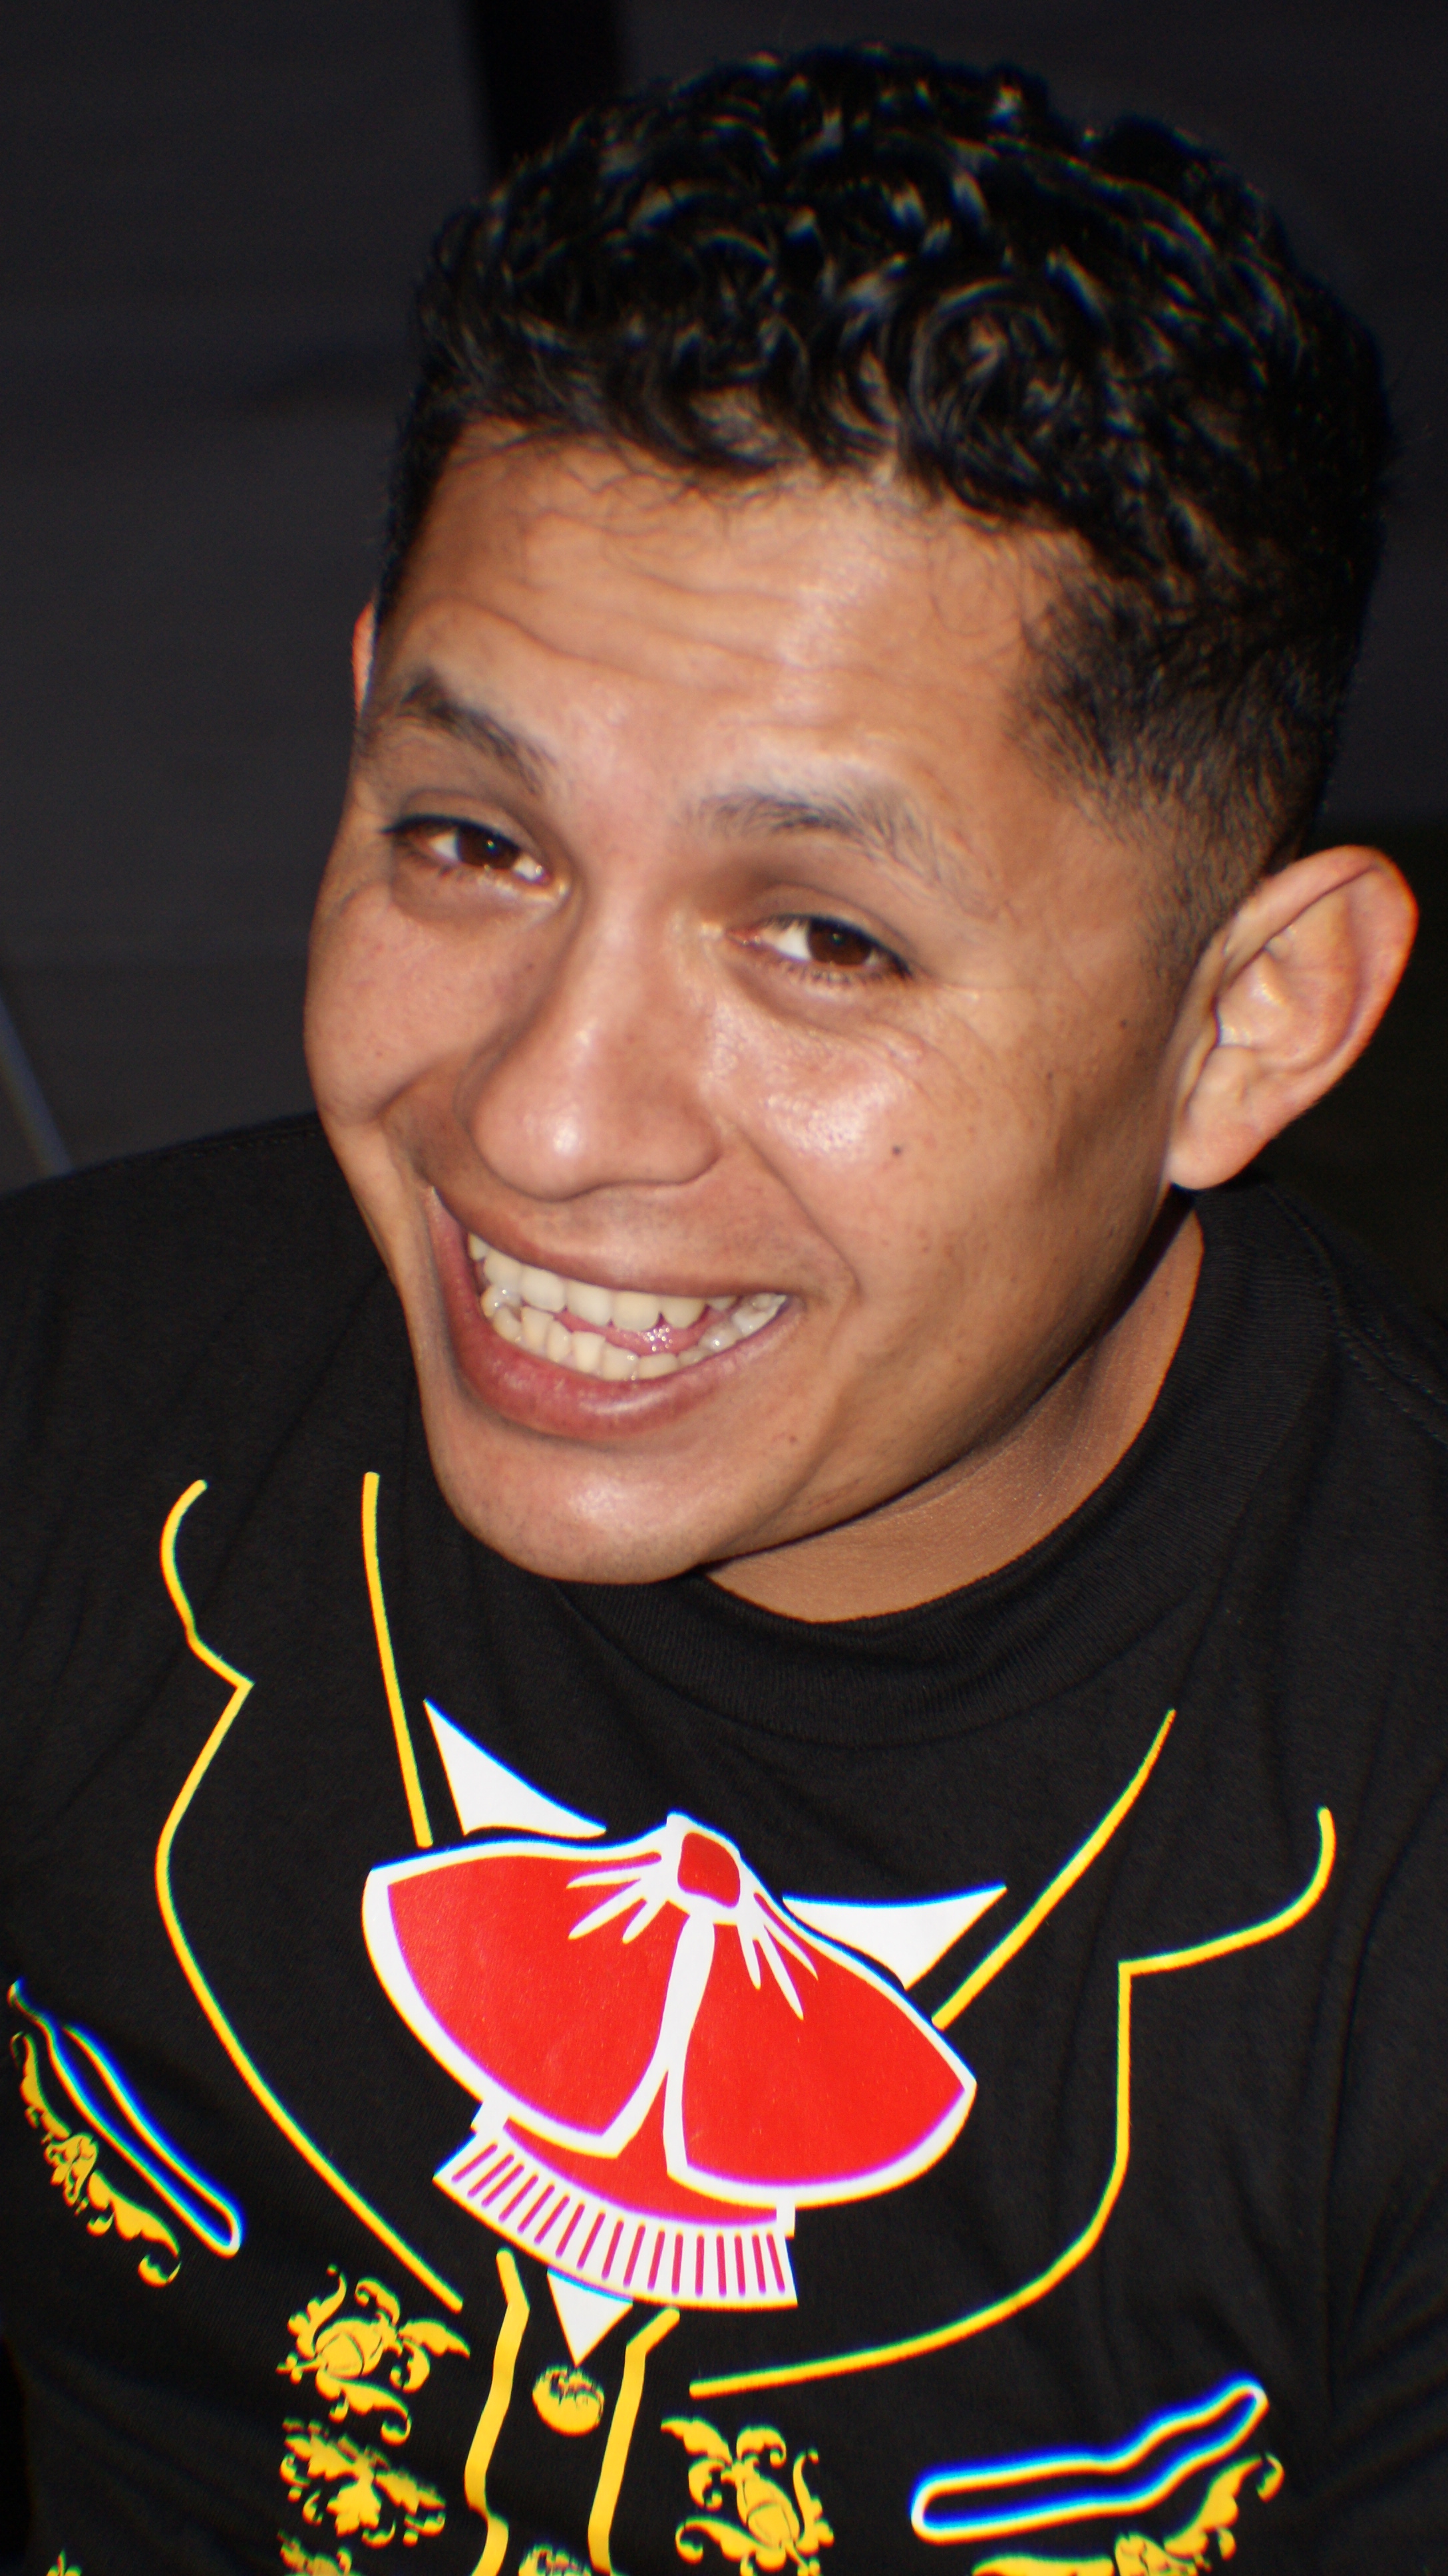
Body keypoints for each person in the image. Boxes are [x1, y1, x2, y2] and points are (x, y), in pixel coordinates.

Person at [1, 42, 1443, 2575]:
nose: (542, 1120)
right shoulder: (59, 1411)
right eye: (474, 840)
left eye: (825, 938)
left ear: (1248, 1025)